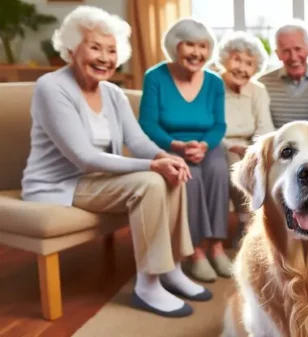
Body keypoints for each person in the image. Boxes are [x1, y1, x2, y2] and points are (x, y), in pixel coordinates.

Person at [20, 6, 212, 318]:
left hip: (95, 181)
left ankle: (172, 268)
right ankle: (148, 285)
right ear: (72, 48)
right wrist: (152, 166)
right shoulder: (51, 88)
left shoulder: (113, 93)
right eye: (94, 47)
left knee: (172, 171)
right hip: (57, 186)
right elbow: (83, 157)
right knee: (152, 179)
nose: (104, 58)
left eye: (111, 50)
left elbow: (136, 141)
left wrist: (166, 157)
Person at [138, 18, 231, 283]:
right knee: (189, 176)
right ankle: (195, 252)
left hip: (205, 144)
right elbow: (148, 124)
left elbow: (218, 124)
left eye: (202, 46)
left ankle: (216, 246)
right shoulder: (155, 77)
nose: (197, 53)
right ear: (175, 47)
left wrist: (204, 145)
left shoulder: (214, 82)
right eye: (189, 44)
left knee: (218, 169)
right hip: (168, 144)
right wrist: (176, 146)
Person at [217, 30, 274, 241]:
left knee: (258, 162)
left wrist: (252, 149)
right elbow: (208, 125)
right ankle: (244, 222)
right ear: (224, 59)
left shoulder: (258, 90)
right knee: (235, 162)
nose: (242, 68)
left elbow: (265, 127)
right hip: (219, 144)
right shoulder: (214, 85)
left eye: (249, 63)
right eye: (236, 60)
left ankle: (257, 222)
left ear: (256, 67)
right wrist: (228, 145)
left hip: (249, 145)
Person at [257, 19, 308, 128]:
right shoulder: (262, 84)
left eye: (298, 49)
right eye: (286, 51)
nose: (293, 57)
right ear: (278, 54)